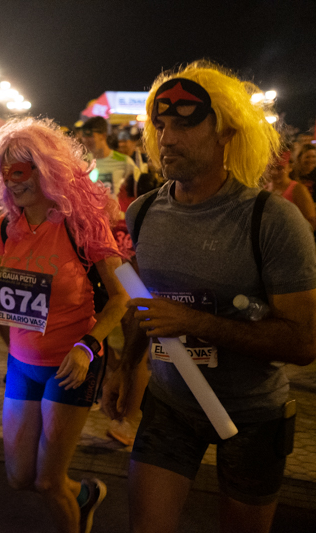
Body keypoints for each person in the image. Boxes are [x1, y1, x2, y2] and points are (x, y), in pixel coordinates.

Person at [103, 61, 316, 533]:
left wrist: (195, 322)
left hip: (253, 414)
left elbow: (304, 343)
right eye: (160, 125)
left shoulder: (272, 220)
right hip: (169, 404)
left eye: (184, 123)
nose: (167, 138)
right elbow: (144, 307)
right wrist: (126, 367)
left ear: (226, 132)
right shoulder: (142, 212)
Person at [0, 118, 128, 533]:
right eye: (5, 172)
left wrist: (88, 345)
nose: (12, 181)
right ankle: (84, 495)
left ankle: (72, 509)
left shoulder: (80, 224)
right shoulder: (8, 226)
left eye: (21, 170)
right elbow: (8, 290)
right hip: (22, 364)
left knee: (48, 481)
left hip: (71, 366)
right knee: (19, 477)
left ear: (47, 169)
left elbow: (121, 298)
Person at [80, 116, 141, 207]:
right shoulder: (84, 162)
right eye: (84, 136)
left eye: (90, 135)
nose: (86, 140)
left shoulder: (124, 162)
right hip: (92, 214)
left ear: (103, 135)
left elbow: (136, 193)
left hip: (117, 214)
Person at [264, 151, 316, 230]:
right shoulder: (265, 188)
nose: (274, 172)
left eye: (280, 168)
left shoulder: (298, 189)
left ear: (290, 168)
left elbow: (312, 221)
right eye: (271, 168)